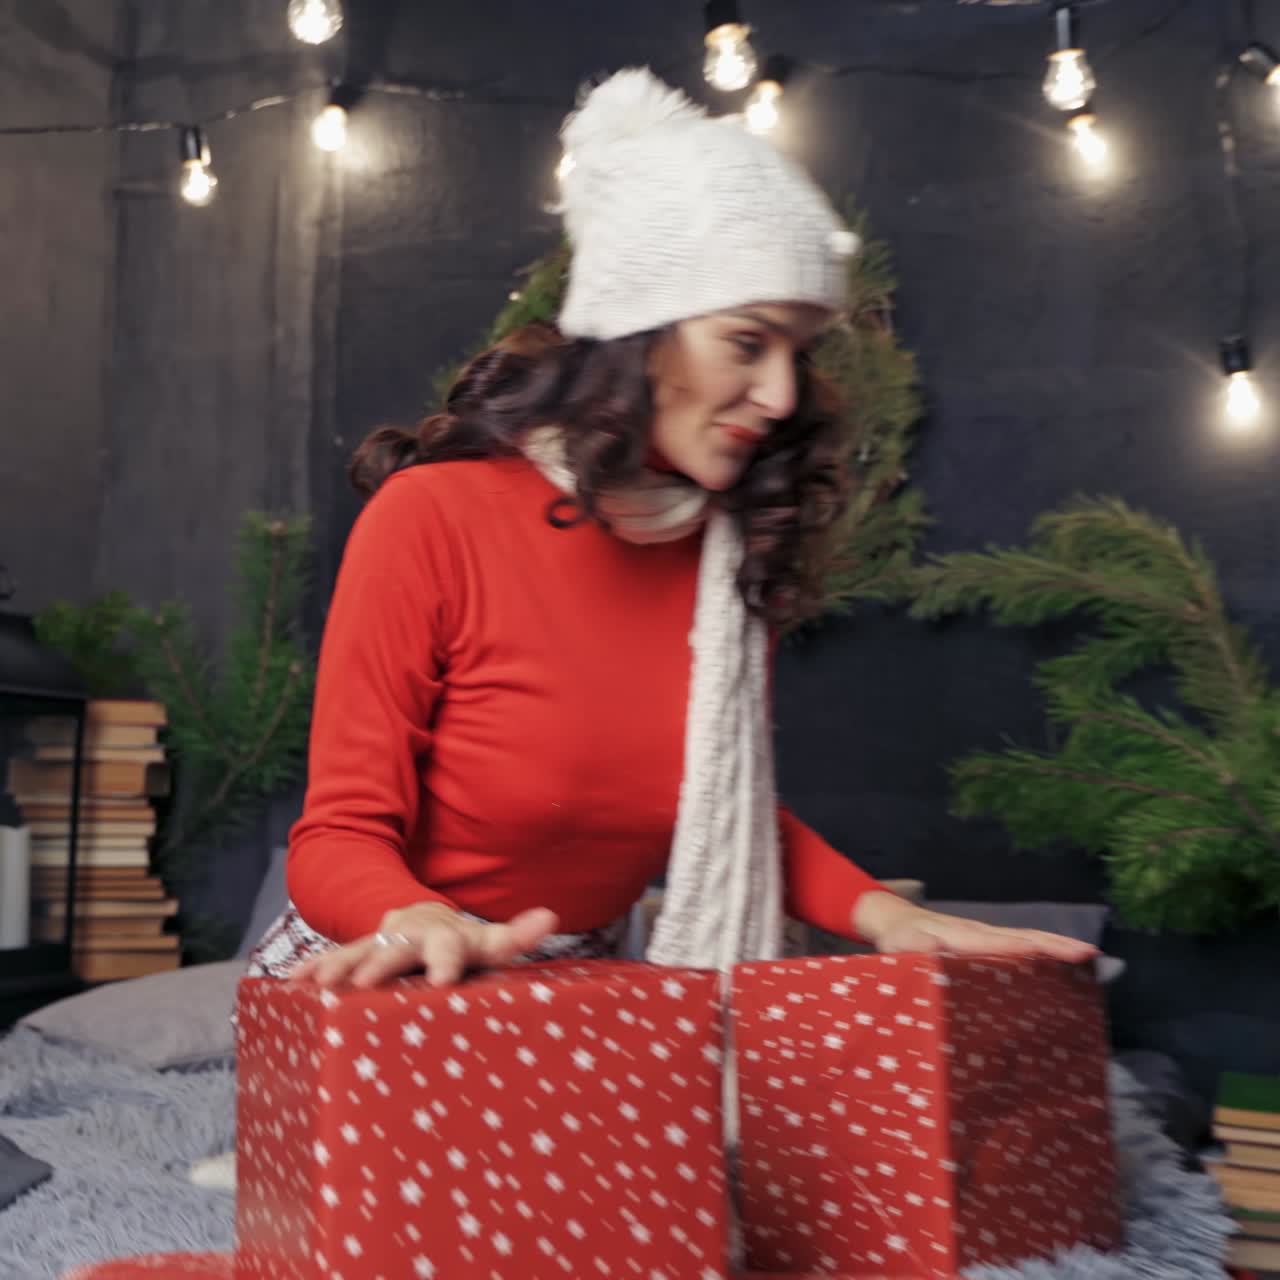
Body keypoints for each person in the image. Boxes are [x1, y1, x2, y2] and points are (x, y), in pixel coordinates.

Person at [245, 66, 1097, 995]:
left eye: (796, 357)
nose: (779, 397)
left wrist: (894, 919)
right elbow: (336, 839)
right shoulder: (433, 517)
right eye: (746, 341)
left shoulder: (725, 559)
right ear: (638, 332)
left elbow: (720, 812)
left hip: (588, 995)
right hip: (385, 970)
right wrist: (416, 919)